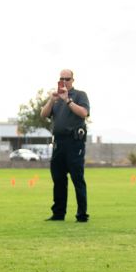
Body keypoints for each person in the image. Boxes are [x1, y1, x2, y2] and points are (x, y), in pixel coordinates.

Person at [39, 69, 90, 222]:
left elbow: (83, 113)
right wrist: (51, 100)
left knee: (77, 178)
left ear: (73, 80)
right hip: (59, 143)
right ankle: (58, 213)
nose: (65, 81)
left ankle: (82, 214)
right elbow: (43, 114)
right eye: (62, 78)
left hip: (74, 142)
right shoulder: (56, 98)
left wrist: (68, 100)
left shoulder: (80, 95)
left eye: (67, 79)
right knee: (58, 179)